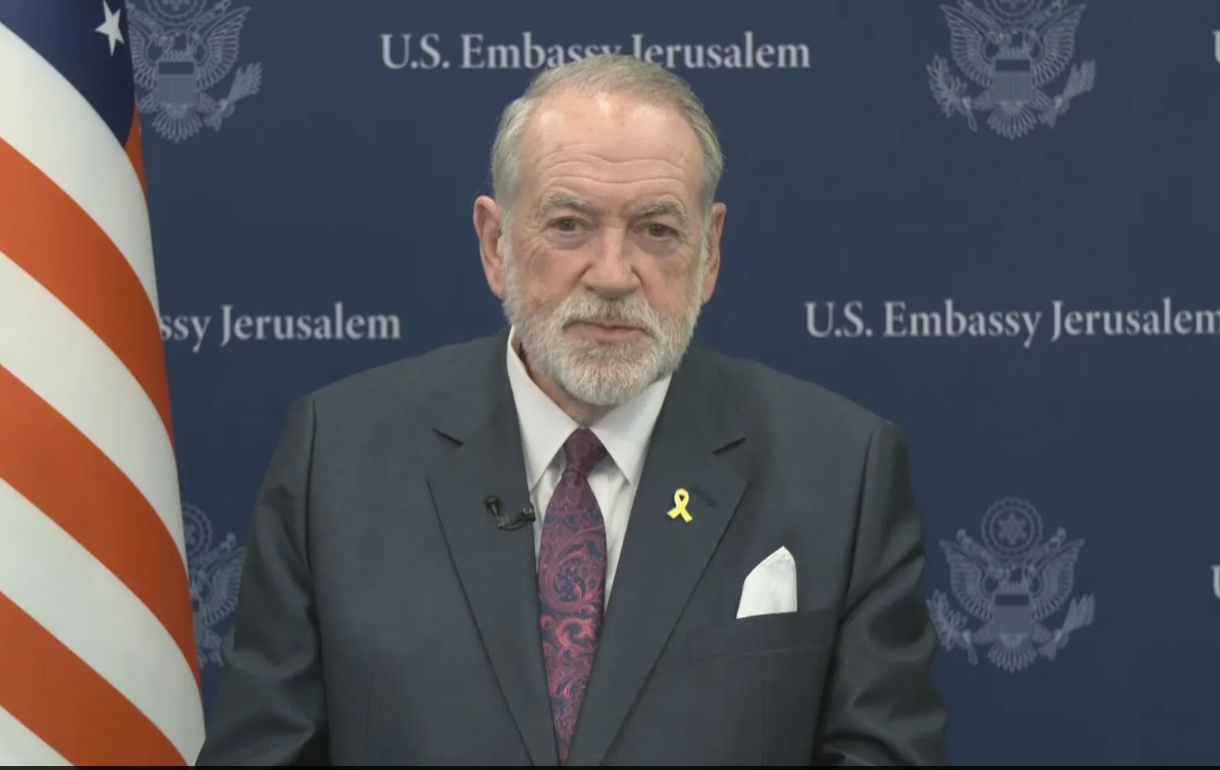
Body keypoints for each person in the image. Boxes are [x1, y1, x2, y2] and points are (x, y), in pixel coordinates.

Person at [195, 53, 949, 766]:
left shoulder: (841, 472)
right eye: (568, 225)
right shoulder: (336, 459)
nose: (613, 274)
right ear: (496, 243)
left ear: (710, 252)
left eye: (657, 229)